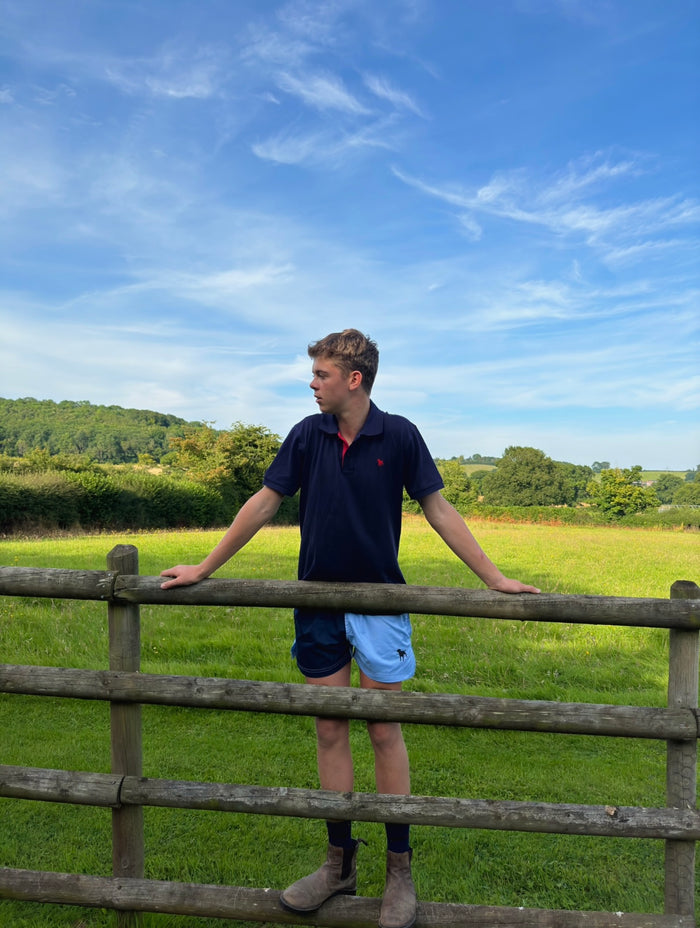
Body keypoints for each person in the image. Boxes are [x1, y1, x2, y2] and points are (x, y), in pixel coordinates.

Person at [160, 329, 540, 928]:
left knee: (384, 730)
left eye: (321, 375)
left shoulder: (401, 434)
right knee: (330, 728)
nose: (312, 384)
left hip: (380, 603)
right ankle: (339, 864)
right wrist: (205, 567)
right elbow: (265, 501)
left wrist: (493, 578)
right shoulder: (306, 434)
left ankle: (398, 870)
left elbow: (438, 508)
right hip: (316, 602)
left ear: (353, 379)